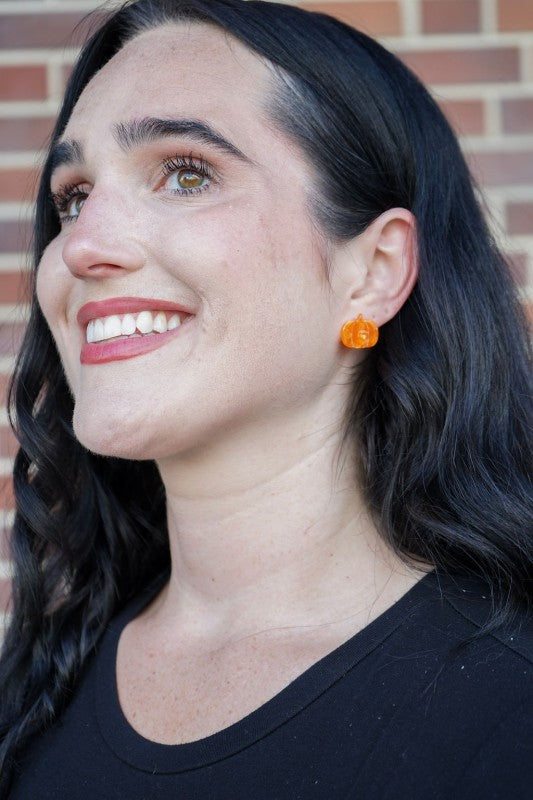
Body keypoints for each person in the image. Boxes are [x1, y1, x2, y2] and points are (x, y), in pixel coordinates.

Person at [1, 0, 532, 796]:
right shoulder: (45, 676)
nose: (79, 246)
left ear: (373, 272)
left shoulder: (509, 706)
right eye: (73, 195)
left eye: (185, 174)